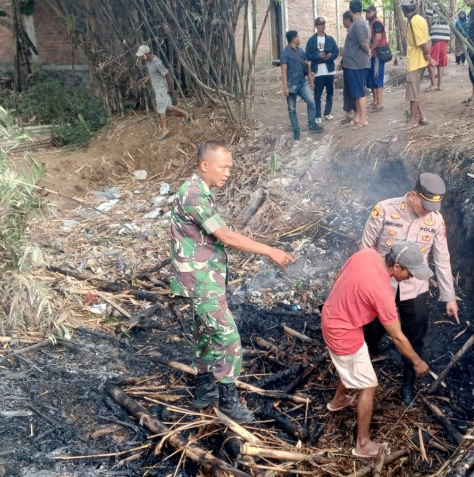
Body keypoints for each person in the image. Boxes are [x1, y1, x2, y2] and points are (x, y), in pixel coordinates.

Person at [170, 141, 295, 421]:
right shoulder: (193, 196)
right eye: (223, 167)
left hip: (202, 277)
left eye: (230, 168)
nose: (227, 173)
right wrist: (270, 250)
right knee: (228, 337)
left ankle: (204, 389)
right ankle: (228, 399)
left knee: (204, 332)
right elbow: (227, 236)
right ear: (204, 165)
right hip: (201, 279)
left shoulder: (198, 190)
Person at [322, 242, 431, 458]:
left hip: (332, 315)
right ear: (398, 266)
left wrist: (344, 306)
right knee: (369, 385)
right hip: (342, 333)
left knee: (353, 363)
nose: (411, 277)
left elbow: (337, 280)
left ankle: (338, 401)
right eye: (410, 272)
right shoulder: (382, 293)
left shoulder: (366, 255)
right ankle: (362, 444)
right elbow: (398, 337)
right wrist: (417, 362)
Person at [361, 173, 459, 405]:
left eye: (432, 207)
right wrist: (367, 282)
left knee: (415, 334)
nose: (427, 211)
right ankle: (367, 358)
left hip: (415, 287)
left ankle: (408, 381)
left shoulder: (435, 219)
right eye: (424, 205)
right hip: (381, 283)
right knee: (372, 326)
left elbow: (442, 259)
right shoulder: (384, 209)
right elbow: (365, 249)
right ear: (413, 195)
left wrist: (449, 297)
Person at [136, 44, 190, 140]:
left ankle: (165, 129)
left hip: (161, 89)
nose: (140, 58)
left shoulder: (157, 63)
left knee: (161, 110)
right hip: (158, 89)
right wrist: (147, 78)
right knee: (168, 108)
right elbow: (152, 73)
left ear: (146, 54)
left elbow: (167, 75)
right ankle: (186, 114)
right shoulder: (148, 62)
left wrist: (170, 88)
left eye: (141, 56)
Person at [280, 30, 325, 141]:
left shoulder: (301, 51)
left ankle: (312, 125)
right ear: (294, 38)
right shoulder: (285, 53)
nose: (299, 39)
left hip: (302, 82)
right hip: (291, 85)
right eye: (298, 37)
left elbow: (307, 67)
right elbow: (284, 72)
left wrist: (311, 81)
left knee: (311, 102)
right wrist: (285, 87)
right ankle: (296, 131)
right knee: (292, 109)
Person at [401, 0, 436, 127]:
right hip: (420, 61)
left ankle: (413, 120)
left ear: (404, 9)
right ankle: (422, 117)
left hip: (415, 62)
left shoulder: (412, 22)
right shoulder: (420, 19)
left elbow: (422, 42)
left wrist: (428, 56)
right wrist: (427, 57)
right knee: (415, 91)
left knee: (413, 94)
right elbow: (428, 39)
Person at [305, 17, 339, 124]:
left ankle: (327, 113)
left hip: (329, 70)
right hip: (318, 71)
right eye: (320, 24)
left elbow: (336, 51)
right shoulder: (312, 40)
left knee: (330, 92)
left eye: (323, 24)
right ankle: (317, 115)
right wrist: (317, 55)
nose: (322, 26)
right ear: (316, 26)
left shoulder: (330, 39)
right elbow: (307, 55)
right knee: (317, 94)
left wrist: (331, 55)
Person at [344, 0, 371, 129]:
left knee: (360, 92)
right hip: (353, 64)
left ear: (350, 9)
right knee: (356, 92)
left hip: (357, 64)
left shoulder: (359, 24)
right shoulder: (359, 23)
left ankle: (363, 119)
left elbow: (363, 43)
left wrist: (368, 52)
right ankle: (357, 116)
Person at [425, 0, 451, 91]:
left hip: (436, 34)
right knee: (441, 60)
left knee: (430, 60)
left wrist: (429, 33)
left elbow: (429, 21)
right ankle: (439, 84)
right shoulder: (444, 4)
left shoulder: (431, 4)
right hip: (445, 35)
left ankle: (433, 84)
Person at [364, 5, 387, 112]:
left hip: (377, 54)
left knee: (377, 78)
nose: (367, 14)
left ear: (374, 12)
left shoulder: (377, 23)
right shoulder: (371, 23)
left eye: (369, 12)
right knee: (373, 78)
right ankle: (375, 101)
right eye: (366, 12)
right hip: (373, 54)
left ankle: (380, 103)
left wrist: (370, 49)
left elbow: (378, 38)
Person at [337, 11, 356, 125]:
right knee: (348, 89)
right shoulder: (351, 31)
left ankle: (353, 112)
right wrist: (342, 62)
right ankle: (350, 112)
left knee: (350, 89)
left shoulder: (353, 31)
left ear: (348, 20)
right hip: (349, 64)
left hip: (352, 65)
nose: (343, 22)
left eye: (343, 20)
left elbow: (350, 50)